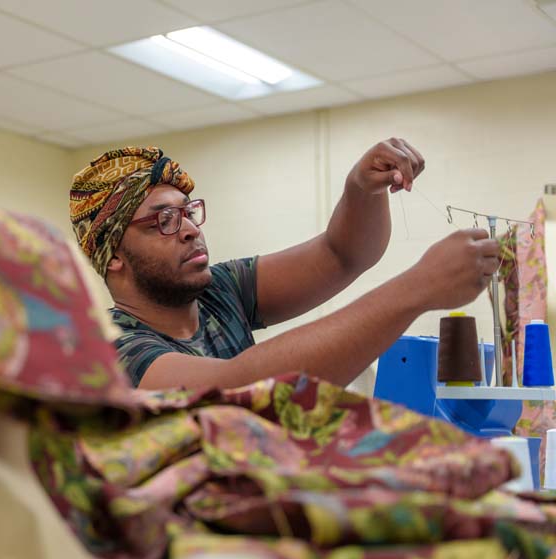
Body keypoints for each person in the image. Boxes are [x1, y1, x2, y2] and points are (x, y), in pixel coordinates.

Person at [68, 142, 498, 390]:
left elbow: (341, 255)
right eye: (163, 220)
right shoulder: (108, 350)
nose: (189, 230)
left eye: (188, 211)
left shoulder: (220, 290)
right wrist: (416, 290)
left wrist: (361, 188)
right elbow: (239, 388)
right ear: (114, 256)